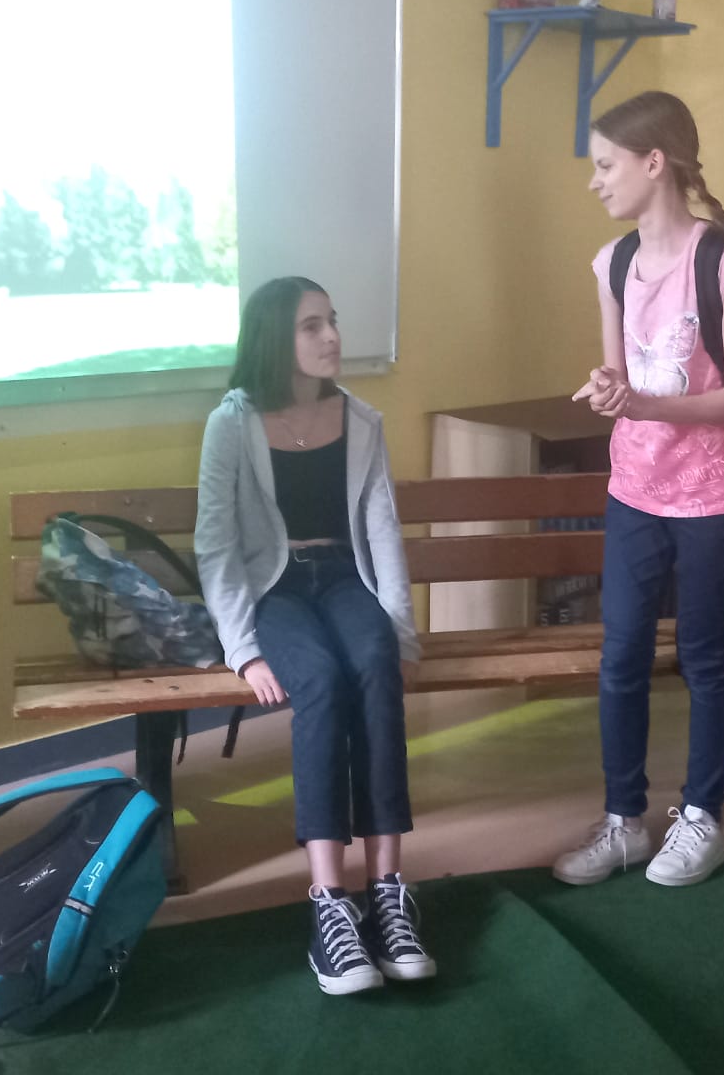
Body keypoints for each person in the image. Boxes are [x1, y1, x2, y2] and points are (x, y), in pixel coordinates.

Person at [194, 276, 435, 995]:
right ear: (276, 337)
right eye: (311, 326)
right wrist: (243, 649)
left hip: (344, 578)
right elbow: (216, 544)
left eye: (332, 320)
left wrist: (402, 633)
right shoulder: (232, 423)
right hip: (277, 590)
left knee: (375, 663)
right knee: (323, 681)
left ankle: (387, 893)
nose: (331, 336)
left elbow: (383, 530)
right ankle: (329, 903)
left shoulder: (360, 418)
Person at [551, 91, 724, 889]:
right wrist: (613, 390)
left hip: (709, 496)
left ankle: (702, 818)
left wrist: (643, 403)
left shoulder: (723, 261)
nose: (596, 181)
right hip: (633, 488)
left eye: (606, 165)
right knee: (622, 657)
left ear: (653, 162)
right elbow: (623, 377)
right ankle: (624, 823)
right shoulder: (612, 263)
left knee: (704, 658)